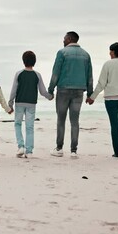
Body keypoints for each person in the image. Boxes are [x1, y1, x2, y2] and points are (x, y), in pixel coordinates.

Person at [48, 31, 93, 159]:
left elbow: (55, 73)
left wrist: (50, 90)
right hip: (79, 91)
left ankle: (59, 148)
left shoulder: (62, 53)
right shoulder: (86, 55)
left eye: (64, 38)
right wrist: (90, 93)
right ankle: (73, 151)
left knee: (61, 120)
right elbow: (90, 76)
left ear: (69, 38)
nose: (63, 41)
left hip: (63, 90)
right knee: (75, 121)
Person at [9, 51, 53, 158]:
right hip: (31, 104)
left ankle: (21, 146)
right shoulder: (37, 75)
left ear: (23, 61)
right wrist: (50, 96)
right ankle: (29, 151)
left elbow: (14, 90)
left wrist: (10, 102)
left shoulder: (18, 74)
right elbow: (42, 91)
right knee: (30, 127)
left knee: (18, 124)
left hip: (19, 102)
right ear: (34, 61)